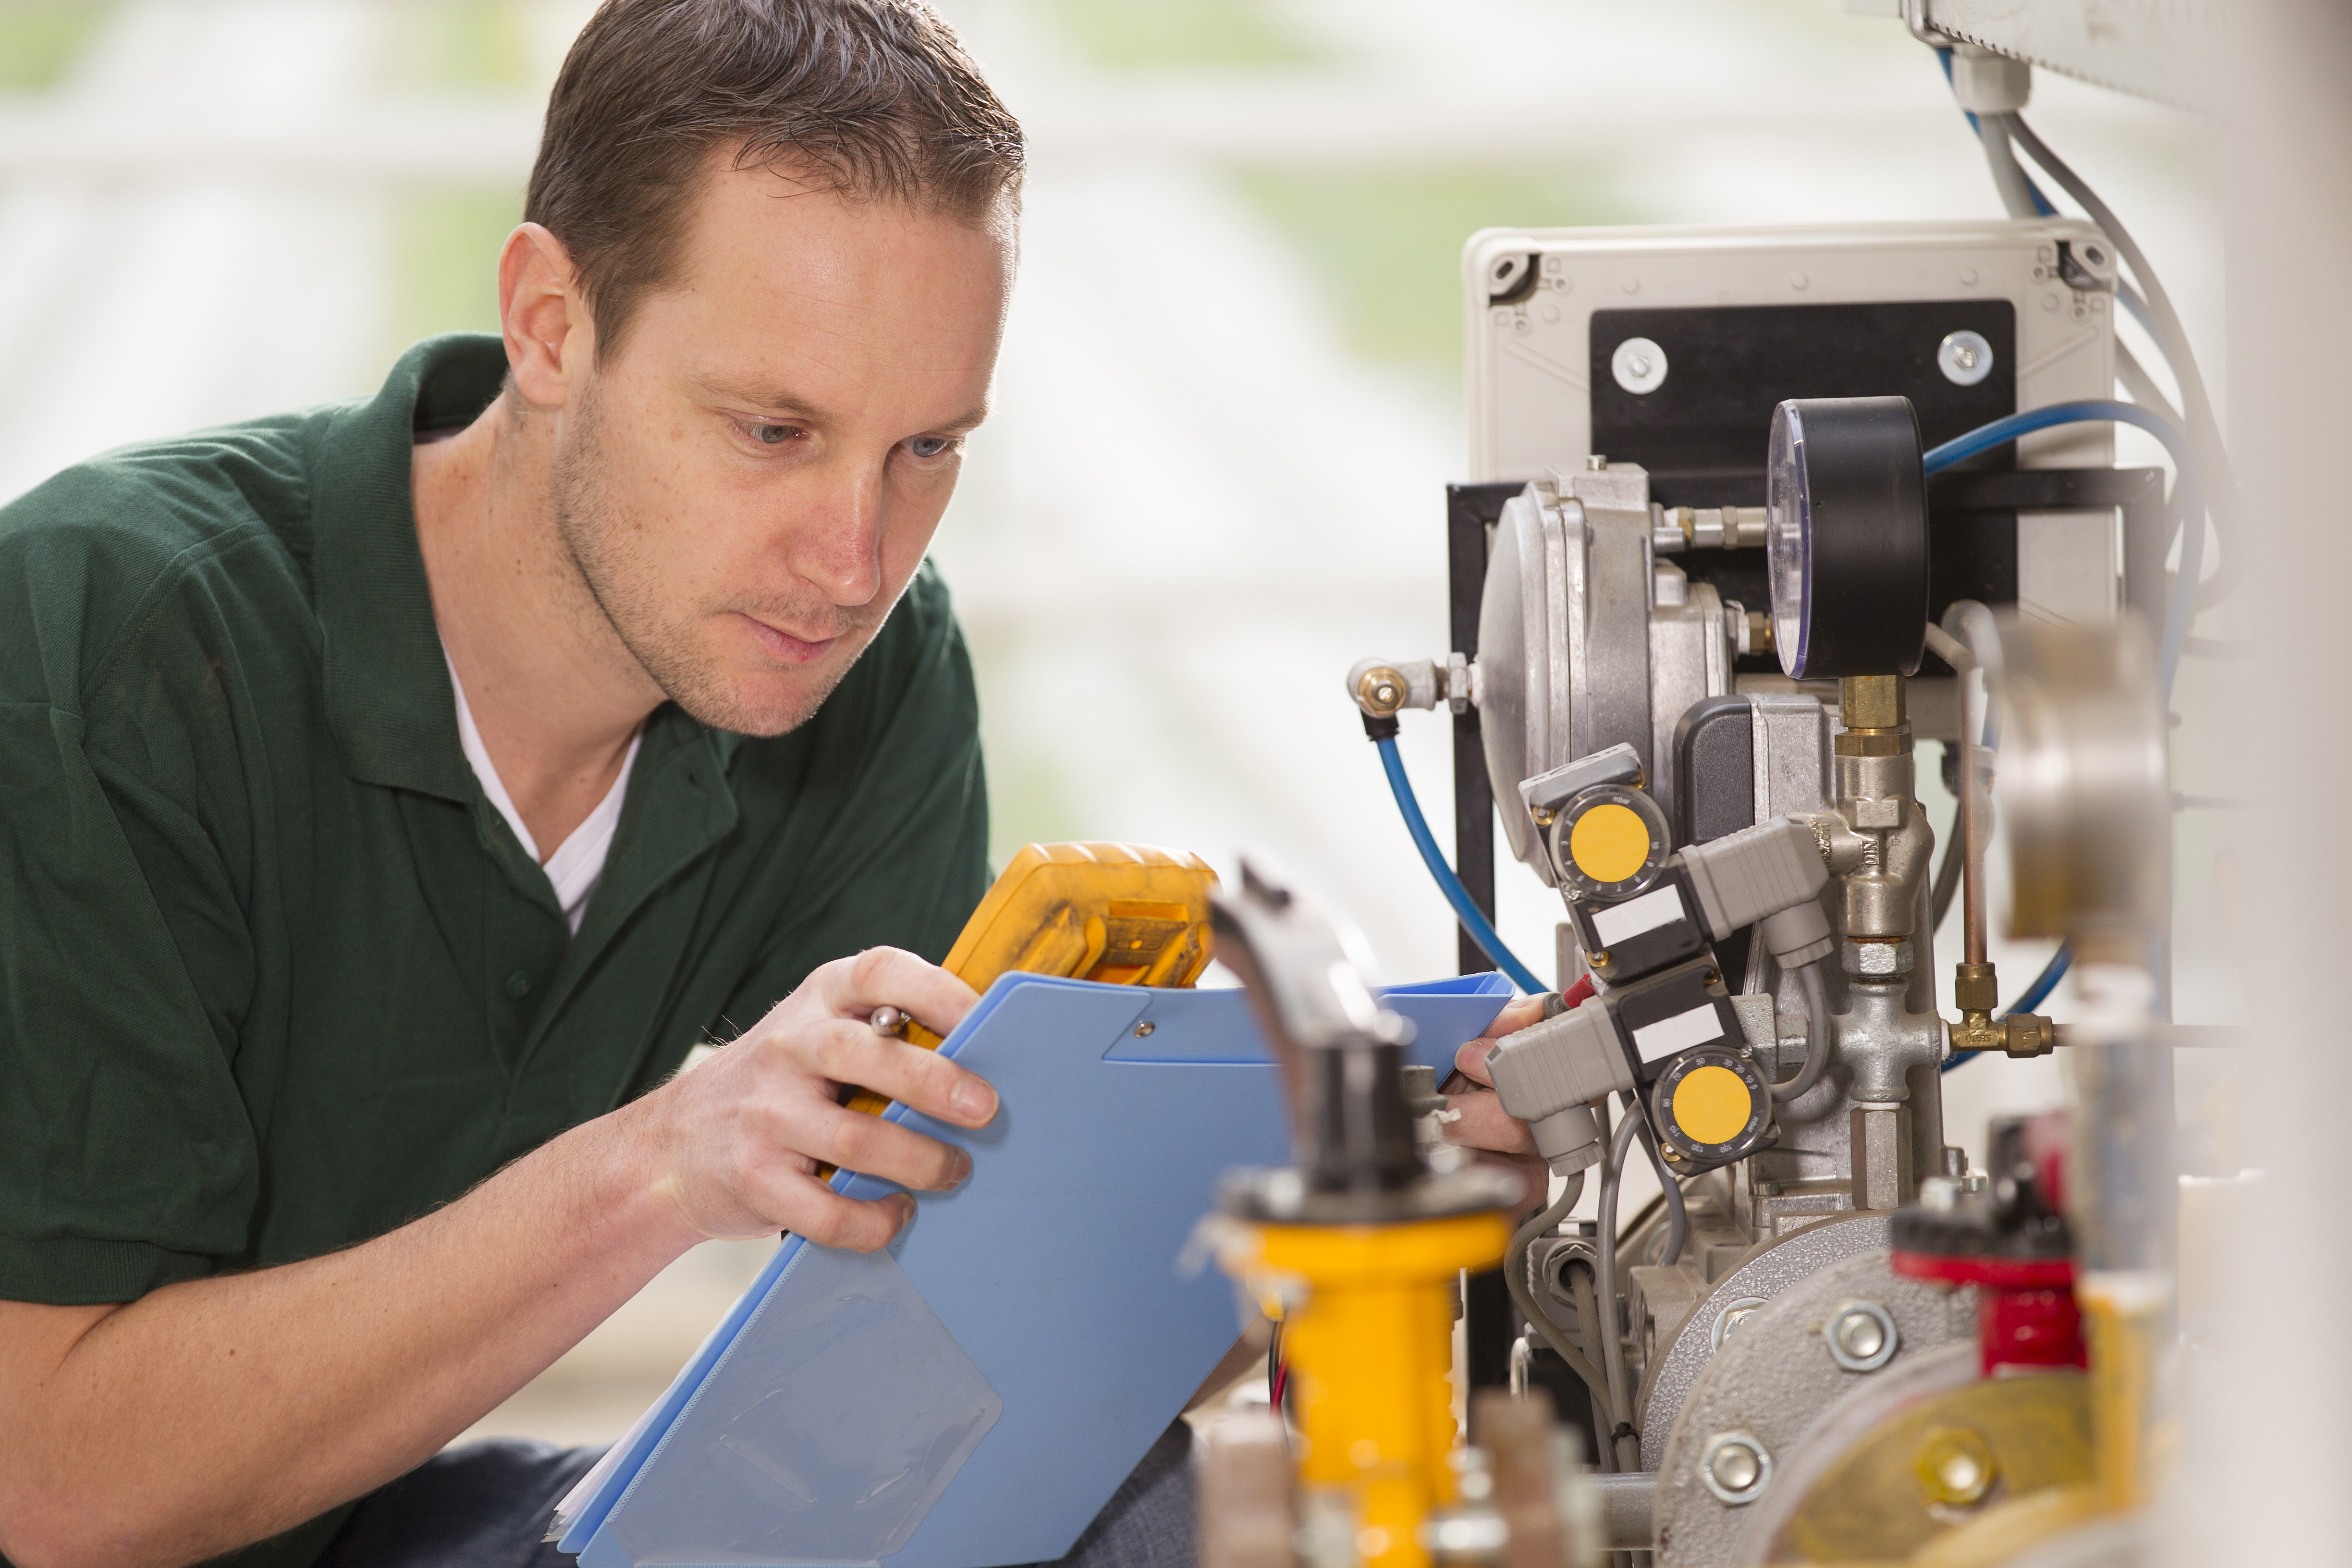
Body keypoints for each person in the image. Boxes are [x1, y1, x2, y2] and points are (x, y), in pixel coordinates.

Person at [0, 3, 1549, 1566]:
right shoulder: (102, 644)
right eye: (772, 430)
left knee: (1153, 1517)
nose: (856, 561)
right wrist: (660, 1166)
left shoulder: (859, 677)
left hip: (362, 1520)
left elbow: (963, 1372)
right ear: (549, 322)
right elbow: (49, 1484)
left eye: (928, 447)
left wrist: (1337, 1223)